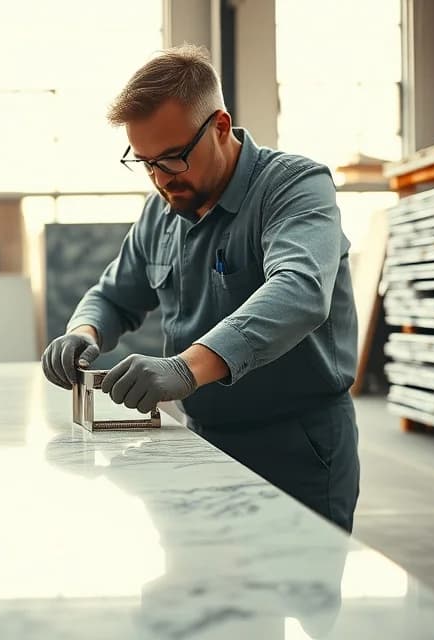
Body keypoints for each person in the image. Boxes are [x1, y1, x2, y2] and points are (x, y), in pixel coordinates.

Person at [40, 44, 360, 532]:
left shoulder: (294, 186)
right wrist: (83, 333)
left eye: (171, 159)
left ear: (221, 127)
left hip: (298, 448)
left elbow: (299, 290)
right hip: (203, 441)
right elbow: (113, 295)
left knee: (299, 594)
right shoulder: (162, 210)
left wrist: (184, 368)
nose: (160, 180)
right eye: (144, 162)